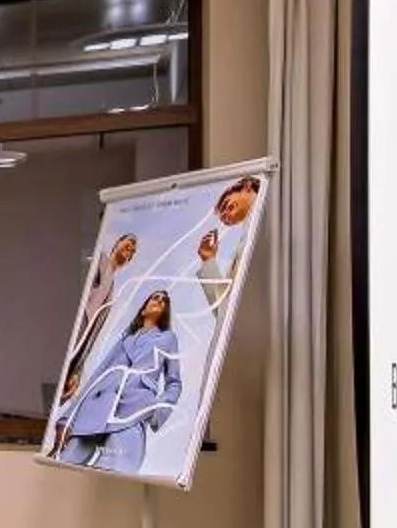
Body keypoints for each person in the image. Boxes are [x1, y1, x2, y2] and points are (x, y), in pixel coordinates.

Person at [57, 289, 184, 471]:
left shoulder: (168, 339)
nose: (160, 301)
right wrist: (67, 419)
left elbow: (174, 382)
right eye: (155, 297)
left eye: (165, 301)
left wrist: (157, 410)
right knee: (65, 467)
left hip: (134, 411)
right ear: (143, 309)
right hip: (94, 410)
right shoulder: (125, 338)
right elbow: (98, 376)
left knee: (117, 473)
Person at [56, 232, 139, 409]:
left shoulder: (112, 288)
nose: (129, 250)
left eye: (132, 250)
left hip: (82, 343)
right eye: (128, 244)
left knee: (64, 394)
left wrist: (78, 370)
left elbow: (94, 332)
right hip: (74, 332)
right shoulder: (98, 262)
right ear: (117, 242)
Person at [193, 175, 264, 313]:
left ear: (247, 186)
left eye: (225, 204)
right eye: (222, 216)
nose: (225, 214)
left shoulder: (274, 214)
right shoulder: (244, 242)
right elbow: (223, 310)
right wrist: (208, 260)